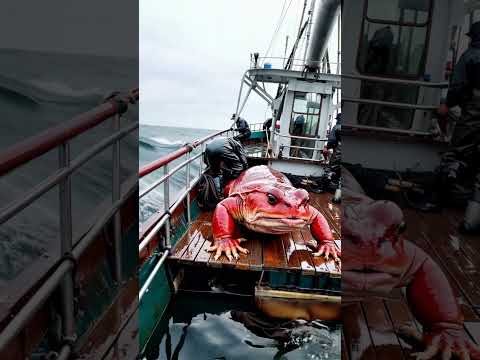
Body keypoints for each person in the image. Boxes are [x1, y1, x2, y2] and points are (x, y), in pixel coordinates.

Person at [437, 21, 480, 233]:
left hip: (475, 112)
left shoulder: (471, 56)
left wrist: (448, 104)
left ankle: (440, 199)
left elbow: (459, 85)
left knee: (457, 154)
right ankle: (473, 216)